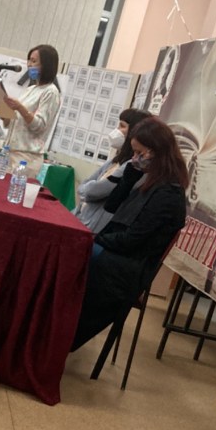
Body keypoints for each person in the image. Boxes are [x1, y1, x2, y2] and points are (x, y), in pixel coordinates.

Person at [71, 117, 188, 351]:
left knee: (73, 257)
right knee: (71, 251)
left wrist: (95, 239)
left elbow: (131, 240)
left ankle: (56, 333)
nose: (135, 158)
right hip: (116, 255)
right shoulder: (149, 182)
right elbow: (112, 208)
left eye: (139, 153)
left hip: (125, 268)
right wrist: (129, 177)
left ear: (155, 152)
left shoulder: (168, 194)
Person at [73, 109, 152, 233]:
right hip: (81, 216)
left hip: (94, 227)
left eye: (122, 126)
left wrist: (88, 190)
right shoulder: (115, 161)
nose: (117, 130)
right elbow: (85, 185)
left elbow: (93, 191)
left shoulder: (133, 166)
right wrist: (87, 190)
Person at [0, 44, 61, 175]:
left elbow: (39, 126)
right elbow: (13, 122)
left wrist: (20, 107)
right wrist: (0, 110)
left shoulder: (51, 92)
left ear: (47, 65)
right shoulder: (31, 89)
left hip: (27, 158)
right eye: (29, 60)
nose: (29, 64)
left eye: (34, 61)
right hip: (9, 152)